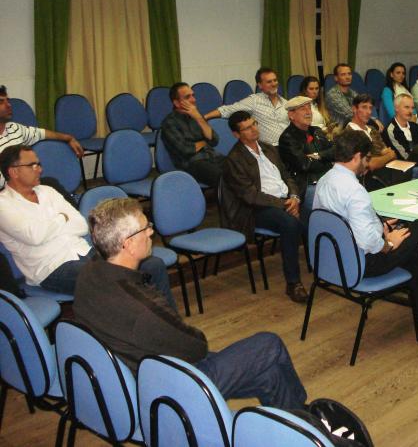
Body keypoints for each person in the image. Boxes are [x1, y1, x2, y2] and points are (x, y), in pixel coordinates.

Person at [73, 197, 308, 409]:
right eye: (145, 228)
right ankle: (307, 417)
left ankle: (302, 425)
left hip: (138, 373)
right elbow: (196, 348)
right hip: (167, 392)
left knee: (269, 375)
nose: (151, 233)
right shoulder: (140, 309)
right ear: (128, 243)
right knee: (269, 344)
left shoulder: (90, 273)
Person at [0, 145, 174, 306]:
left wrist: (51, 226)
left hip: (85, 253)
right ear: (14, 171)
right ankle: (139, 328)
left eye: (39, 164)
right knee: (114, 276)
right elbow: (35, 236)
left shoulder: (47, 191)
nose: (40, 169)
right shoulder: (3, 204)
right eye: (33, 165)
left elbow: (81, 225)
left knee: (153, 265)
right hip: (51, 269)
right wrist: (62, 218)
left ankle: (171, 327)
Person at [313, 129, 418, 324]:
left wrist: (379, 226)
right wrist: (388, 244)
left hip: (333, 258)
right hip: (363, 263)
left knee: (410, 244)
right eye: (366, 158)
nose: (368, 164)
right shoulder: (354, 190)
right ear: (356, 157)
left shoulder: (325, 181)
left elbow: (341, 222)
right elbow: (368, 242)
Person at [220, 111, 308, 304]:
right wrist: (284, 204)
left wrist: (294, 196)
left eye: (254, 124)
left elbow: (287, 176)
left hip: (285, 200)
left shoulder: (268, 149)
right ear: (236, 134)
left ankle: (324, 266)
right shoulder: (234, 159)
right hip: (255, 210)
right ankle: (293, 283)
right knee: (290, 223)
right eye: (247, 128)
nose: (254, 129)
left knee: (315, 206)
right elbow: (249, 196)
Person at [0, 85, 84, 191]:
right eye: (1, 102)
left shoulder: (14, 128)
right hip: (7, 193)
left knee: (51, 183)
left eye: (8, 101)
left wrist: (69, 138)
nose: (8, 105)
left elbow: (42, 133)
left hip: (24, 185)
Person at [160, 82, 224, 188]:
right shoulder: (169, 123)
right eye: (187, 97)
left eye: (193, 95)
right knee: (222, 177)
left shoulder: (196, 116)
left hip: (212, 157)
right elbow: (186, 150)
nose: (193, 100)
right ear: (176, 103)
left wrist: (199, 118)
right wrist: (204, 142)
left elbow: (214, 140)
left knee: (240, 169)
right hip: (193, 164)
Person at [278, 97, 334, 215]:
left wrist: (318, 155)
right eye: (303, 109)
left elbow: (335, 151)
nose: (308, 112)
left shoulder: (316, 131)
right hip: (308, 184)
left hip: (328, 178)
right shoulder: (287, 138)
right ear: (291, 115)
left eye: (309, 108)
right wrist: (328, 160)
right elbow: (305, 165)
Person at [205, 68, 288, 146]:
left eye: (275, 80)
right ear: (260, 85)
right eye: (269, 82)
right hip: (269, 149)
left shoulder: (286, 103)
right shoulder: (254, 101)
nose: (274, 84)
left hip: (288, 146)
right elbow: (227, 110)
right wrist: (204, 117)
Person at [347, 94, 409, 190]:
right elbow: (370, 164)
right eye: (364, 107)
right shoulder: (350, 132)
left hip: (384, 171)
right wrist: (387, 156)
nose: (368, 112)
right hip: (367, 178)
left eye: (370, 108)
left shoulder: (372, 129)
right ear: (354, 109)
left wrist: (384, 157)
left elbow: (392, 154)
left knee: (409, 170)